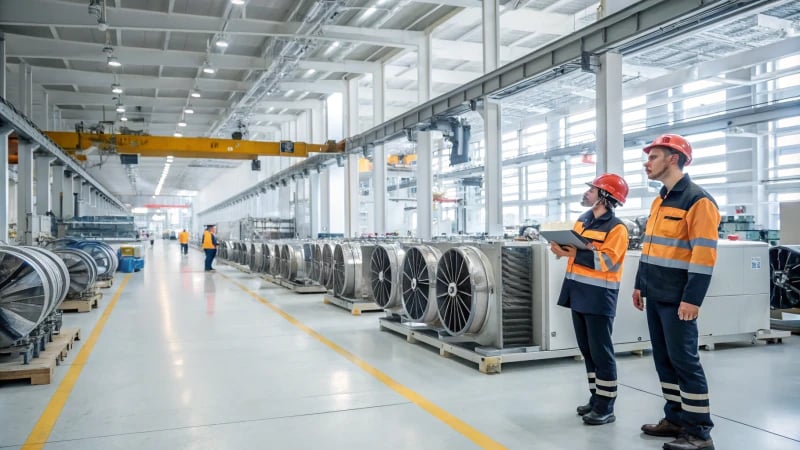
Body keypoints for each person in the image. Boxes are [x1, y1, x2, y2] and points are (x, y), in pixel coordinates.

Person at [633, 134, 720, 450]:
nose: (647, 162)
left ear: (673, 158)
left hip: (678, 299)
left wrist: (692, 299)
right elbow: (650, 249)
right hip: (655, 294)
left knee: (685, 362)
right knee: (665, 361)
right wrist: (639, 285)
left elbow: (704, 255)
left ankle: (699, 432)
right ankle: (675, 419)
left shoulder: (698, 201)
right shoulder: (660, 199)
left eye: (653, 156)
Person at [551, 173, 629, 426]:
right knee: (587, 351)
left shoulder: (616, 228)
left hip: (599, 297)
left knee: (601, 352)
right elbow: (575, 252)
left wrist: (575, 252)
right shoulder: (582, 221)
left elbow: (607, 261)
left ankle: (606, 406)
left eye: (593, 190)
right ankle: (596, 398)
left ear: (605, 196)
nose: (587, 193)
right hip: (578, 292)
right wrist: (561, 250)